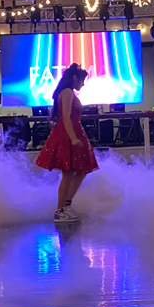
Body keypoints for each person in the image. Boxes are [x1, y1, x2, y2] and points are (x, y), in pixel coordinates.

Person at [36, 63, 99, 223]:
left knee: (80, 170)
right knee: (69, 173)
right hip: (67, 134)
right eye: (82, 80)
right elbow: (65, 117)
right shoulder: (67, 93)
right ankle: (60, 209)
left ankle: (66, 205)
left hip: (73, 132)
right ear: (75, 78)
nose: (83, 84)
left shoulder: (69, 92)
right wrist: (72, 138)